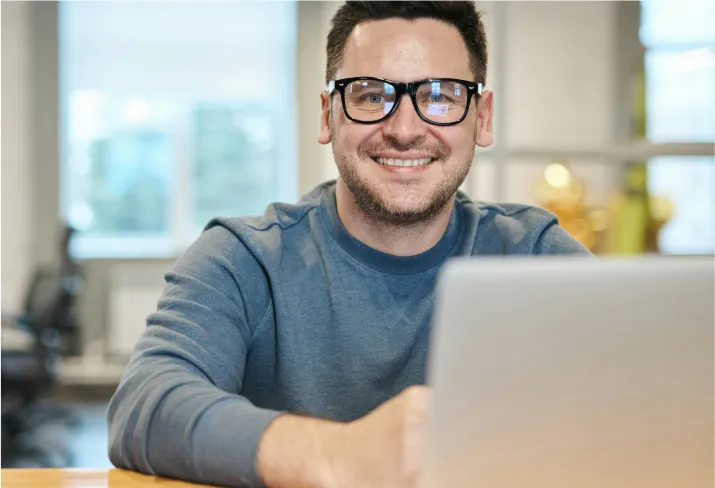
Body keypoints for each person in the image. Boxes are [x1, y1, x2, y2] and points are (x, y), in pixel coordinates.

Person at [107, 2, 590, 487]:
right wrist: (339, 454)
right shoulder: (245, 259)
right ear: (327, 114)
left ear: (481, 118)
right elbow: (146, 405)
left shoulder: (534, 256)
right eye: (369, 95)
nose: (404, 130)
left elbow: (655, 399)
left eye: (441, 96)